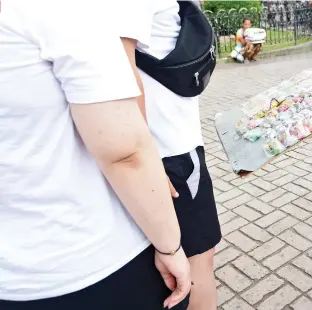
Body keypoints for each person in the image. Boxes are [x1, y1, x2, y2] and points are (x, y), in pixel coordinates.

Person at [0, 0, 191, 309]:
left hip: (12, 280)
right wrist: (170, 247)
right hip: (95, 261)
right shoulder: (61, 10)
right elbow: (125, 152)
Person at [118, 1, 222, 309]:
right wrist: (146, 160)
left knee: (193, 264)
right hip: (166, 155)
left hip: (167, 152)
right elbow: (122, 72)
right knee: (197, 265)